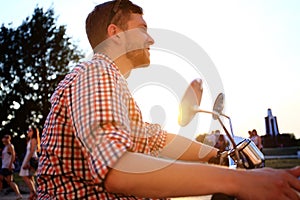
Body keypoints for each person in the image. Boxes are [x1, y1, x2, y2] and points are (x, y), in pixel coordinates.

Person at [37, 0, 300, 199]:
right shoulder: (95, 73)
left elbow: (157, 139)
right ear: (115, 34)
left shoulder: (113, 84)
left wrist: (219, 154)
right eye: (142, 29)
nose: (151, 38)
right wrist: (239, 181)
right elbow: (118, 169)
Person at [19, 127, 40, 200]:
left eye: (30, 130)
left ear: (34, 132)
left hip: (31, 159)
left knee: (24, 176)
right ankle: (33, 194)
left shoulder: (34, 140)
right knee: (30, 177)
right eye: (28, 130)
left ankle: (34, 193)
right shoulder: (29, 140)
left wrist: (26, 162)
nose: (28, 132)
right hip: (28, 158)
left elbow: (31, 152)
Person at [0, 135, 22, 199]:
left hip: (8, 166)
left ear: (7, 139)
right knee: (3, 179)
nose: (3, 139)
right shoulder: (5, 147)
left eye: (4, 138)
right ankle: (1, 191)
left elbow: (13, 155)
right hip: (4, 166)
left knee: (10, 181)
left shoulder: (10, 146)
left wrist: (10, 164)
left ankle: (18, 194)